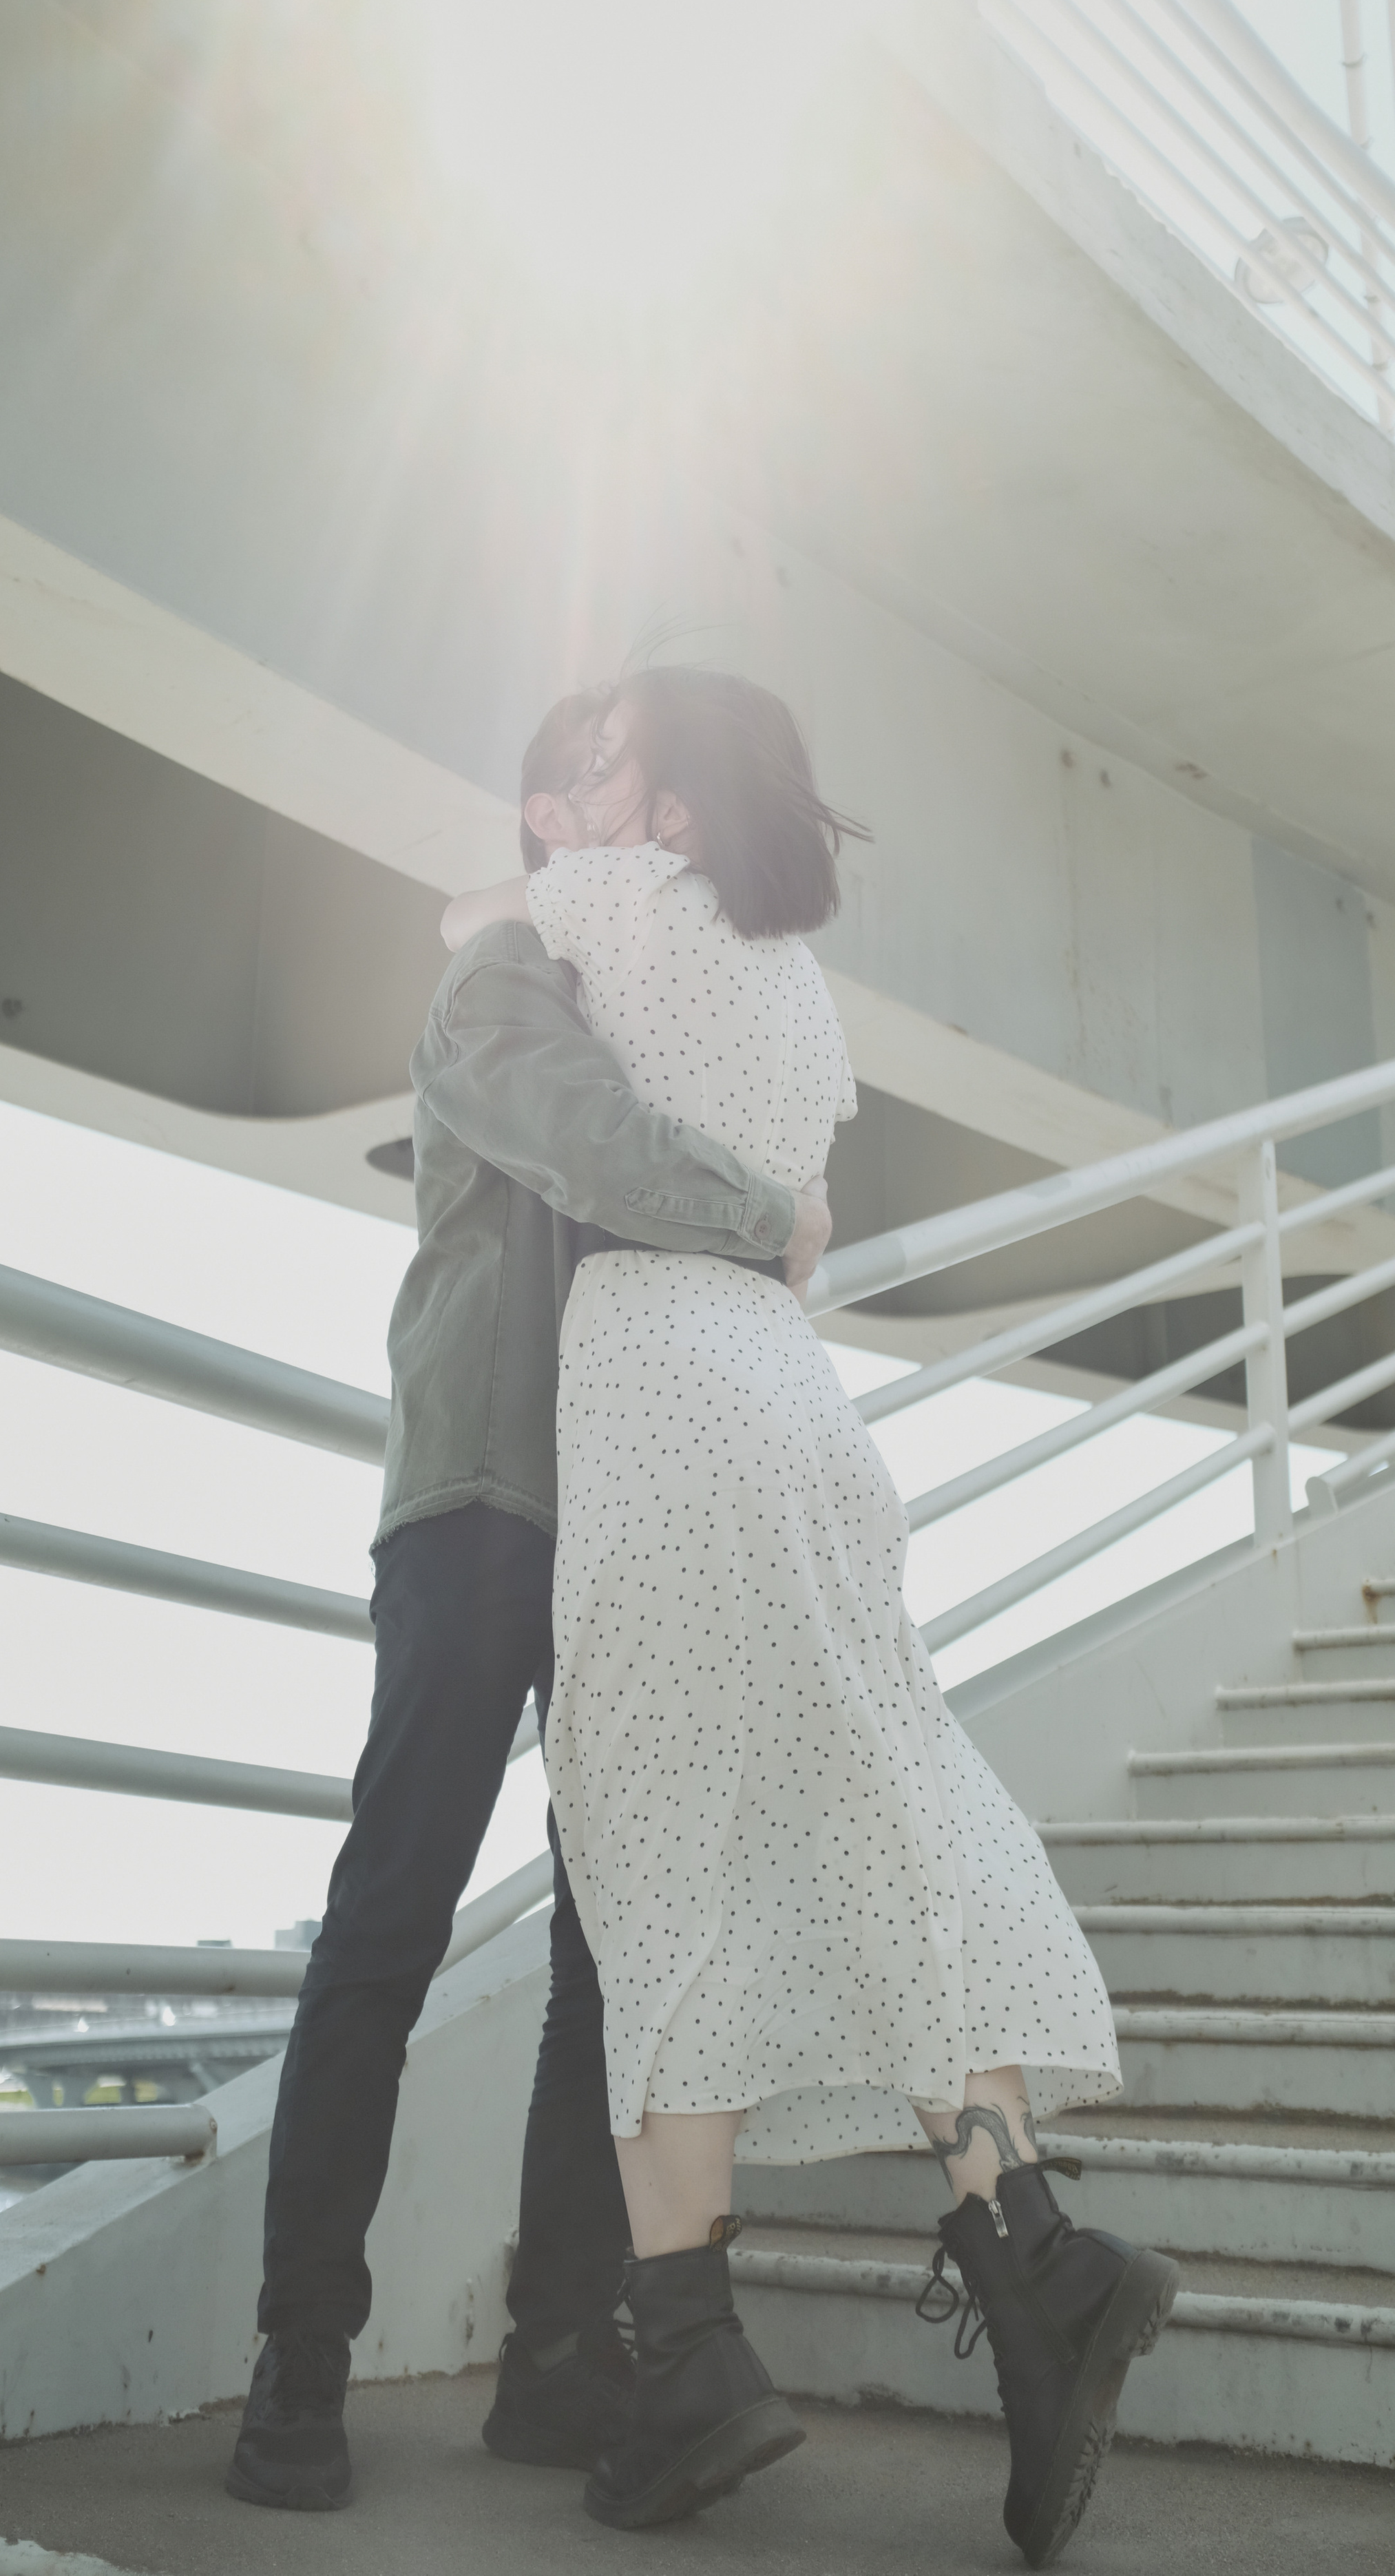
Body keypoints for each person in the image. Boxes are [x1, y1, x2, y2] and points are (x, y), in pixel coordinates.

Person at [441, 666, 1178, 2569]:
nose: (568, 797)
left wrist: (527, 890)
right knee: (872, 1811)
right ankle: (1029, 2250)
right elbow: (816, 1214)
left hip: (668, 1398)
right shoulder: (802, 992)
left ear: (674, 813)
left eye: (606, 769)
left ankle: (688, 2362)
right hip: (797, 1409)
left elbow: (485, 946)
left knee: (658, 1850)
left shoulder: (599, 905)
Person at [225, 692, 835, 2513]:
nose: (632, 799)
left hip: (622, 1526)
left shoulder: (659, 1009)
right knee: (390, 1917)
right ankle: (299, 2361)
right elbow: (598, 1152)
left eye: (643, 766)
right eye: (596, 771)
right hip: (480, 1506)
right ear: (545, 818)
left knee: (605, 1950)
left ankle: (560, 2356)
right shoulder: (504, 986)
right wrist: (775, 1217)